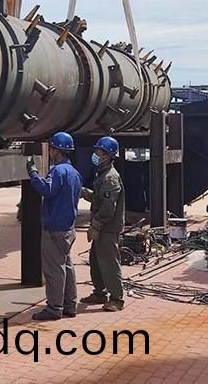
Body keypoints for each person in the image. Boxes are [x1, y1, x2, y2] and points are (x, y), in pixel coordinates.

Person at [25, 132, 82, 321]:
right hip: (68, 228)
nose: (49, 152)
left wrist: (33, 174)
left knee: (54, 270)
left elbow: (47, 190)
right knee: (67, 266)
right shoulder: (74, 173)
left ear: (57, 150)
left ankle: (54, 308)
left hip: (55, 228)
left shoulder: (58, 171)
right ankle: (70, 305)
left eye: (51, 149)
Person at [80, 136, 125, 312]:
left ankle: (117, 299)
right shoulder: (102, 174)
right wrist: (85, 193)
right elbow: (100, 198)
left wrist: (96, 226)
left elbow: (108, 208)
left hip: (108, 227)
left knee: (109, 262)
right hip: (102, 226)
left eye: (98, 152)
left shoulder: (110, 178)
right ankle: (100, 293)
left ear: (106, 155)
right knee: (96, 261)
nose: (95, 155)